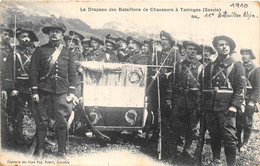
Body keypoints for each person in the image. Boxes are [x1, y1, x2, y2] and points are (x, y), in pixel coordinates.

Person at [30, 22, 78, 158]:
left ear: (62, 35)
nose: (54, 34)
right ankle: (40, 149)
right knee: (42, 121)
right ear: (48, 34)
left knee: (62, 122)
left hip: (62, 92)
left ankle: (61, 151)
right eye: (52, 31)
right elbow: (33, 72)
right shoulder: (40, 50)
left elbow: (72, 74)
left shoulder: (67, 51)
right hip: (44, 90)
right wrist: (35, 91)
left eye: (57, 32)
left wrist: (72, 92)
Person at [203, 35, 246, 166]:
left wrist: (234, 106)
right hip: (211, 108)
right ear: (216, 48)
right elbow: (205, 87)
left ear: (230, 47)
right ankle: (216, 160)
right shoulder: (211, 66)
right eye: (221, 45)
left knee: (230, 138)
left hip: (227, 108)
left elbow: (241, 88)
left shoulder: (237, 65)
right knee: (214, 135)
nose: (224, 47)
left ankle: (230, 164)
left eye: (226, 45)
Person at [5, 28, 38, 146]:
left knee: (37, 114)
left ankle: (37, 141)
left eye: (28, 37)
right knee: (18, 115)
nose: (27, 39)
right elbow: (8, 72)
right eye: (23, 36)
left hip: (31, 87)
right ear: (18, 38)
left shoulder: (32, 53)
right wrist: (11, 88)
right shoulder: (13, 53)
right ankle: (18, 141)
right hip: (18, 87)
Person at [172, 41, 202, 159]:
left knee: (192, 126)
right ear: (185, 50)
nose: (192, 52)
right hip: (179, 100)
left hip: (193, 100)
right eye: (190, 49)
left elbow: (203, 86)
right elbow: (172, 82)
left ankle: (187, 148)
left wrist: (200, 102)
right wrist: (170, 99)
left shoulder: (201, 67)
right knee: (177, 124)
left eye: (194, 50)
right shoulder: (178, 65)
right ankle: (176, 147)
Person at [236, 48, 259, 152]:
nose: (244, 56)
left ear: (251, 56)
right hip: (239, 98)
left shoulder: (256, 69)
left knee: (247, 122)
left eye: (246, 54)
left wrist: (252, 101)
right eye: (243, 54)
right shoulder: (239, 66)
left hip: (249, 98)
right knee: (237, 120)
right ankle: (238, 141)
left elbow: (258, 88)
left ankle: (245, 143)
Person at [0, 24, 14, 149]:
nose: (7, 37)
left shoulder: (11, 49)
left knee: (10, 109)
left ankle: (9, 137)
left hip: (9, 83)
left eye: (9, 35)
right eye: (4, 34)